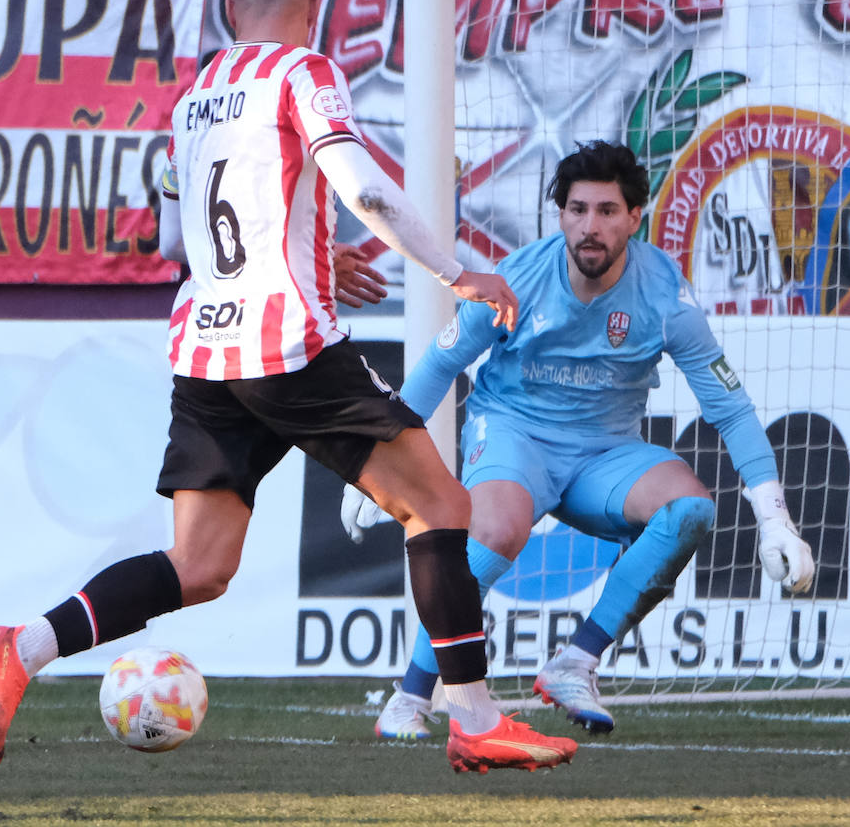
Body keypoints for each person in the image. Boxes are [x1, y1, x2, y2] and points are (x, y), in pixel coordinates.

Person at [0, 0, 578, 774]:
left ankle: (22, 647)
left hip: (206, 352)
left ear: (230, 8)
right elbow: (359, 182)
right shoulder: (306, 72)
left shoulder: (193, 98)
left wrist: (326, 254)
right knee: (438, 505)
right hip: (289, 345)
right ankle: (474, 715)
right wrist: (455, 269)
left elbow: (186, 230)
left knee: (201, 563)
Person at [342, 140, 815, 739]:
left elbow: (730, 407)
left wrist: (774, 518)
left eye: (608, 211)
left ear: (635, 218)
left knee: (691, 509)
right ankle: (410, 697)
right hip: (516, 435)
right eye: (578, 209)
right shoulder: (517, 278)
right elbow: (440, 364)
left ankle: (576, 662)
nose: (590, 227)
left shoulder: (667, 297)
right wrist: (380, 458)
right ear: (560, 214)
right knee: (494, 532)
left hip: (604, 454)